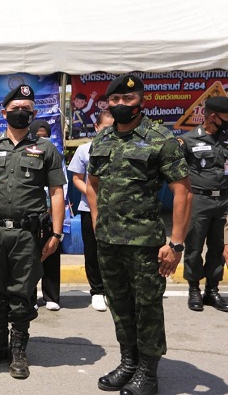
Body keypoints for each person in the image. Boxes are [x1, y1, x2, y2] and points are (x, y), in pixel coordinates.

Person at [87, 74, 191, 395]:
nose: (121, 104)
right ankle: (128, 362)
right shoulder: (102, 140)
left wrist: (176, 244)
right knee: (119, 304)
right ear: (108, 103)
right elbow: (92, 184)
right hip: (108, 241)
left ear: (141, 101)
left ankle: (148, 372)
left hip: (145, 243)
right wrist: (97, 222)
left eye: (128, 99)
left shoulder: (161, 139)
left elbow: (183, 192)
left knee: (147, 307)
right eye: (115, 99)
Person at [0, 84, 65, 380]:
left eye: (26, 109)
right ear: (3, 112)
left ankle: (18, 350)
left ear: (34, 113)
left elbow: (57, 192)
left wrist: (56, 234)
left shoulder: (46, 149)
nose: (21, 113)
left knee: (22, 292)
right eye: (15, 108)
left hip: (27, 234)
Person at [179, 96, 228, 312]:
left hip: (223, 201)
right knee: (194, 246)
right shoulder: (188, 140)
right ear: (213, 116)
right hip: (199, 200)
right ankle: (194, 289)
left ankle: (212, 290)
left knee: (218, 247)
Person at [68, 110, 114, 312]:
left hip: (119, 209)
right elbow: (77, 179)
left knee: (116, 252)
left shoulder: (124, 149)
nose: (110, 132)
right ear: (97, 127)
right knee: (93, 251)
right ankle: (97, 290)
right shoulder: (85, 150)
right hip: (89, 208)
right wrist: (92, 193)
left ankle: (114, 290)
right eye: (106, 128)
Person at [29, 118, 64, 312]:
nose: (43, 140)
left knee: (51, 252)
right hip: (32, 214)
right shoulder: (26, 154)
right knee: (31, 256)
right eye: (38, 136)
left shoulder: (55, 155)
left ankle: (51, 296)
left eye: (46, 136)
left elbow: (60, 188)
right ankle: (31, 296)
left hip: (51, 214)